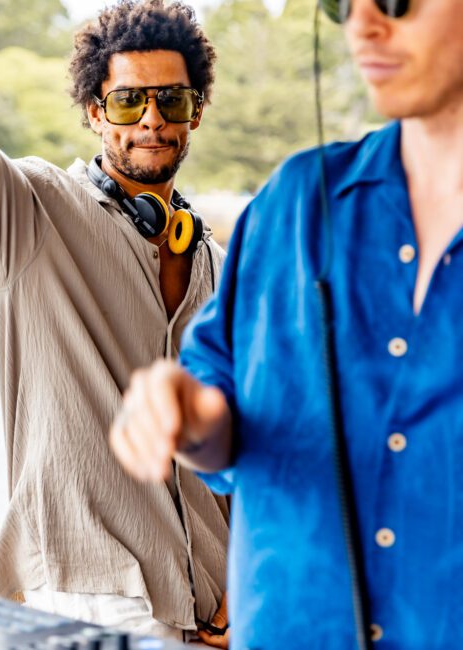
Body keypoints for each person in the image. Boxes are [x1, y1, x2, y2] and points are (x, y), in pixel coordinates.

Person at [110, 0, 463, 647]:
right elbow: (221, 429)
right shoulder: (293, 202)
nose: (362, 25)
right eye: (342, 3)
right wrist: (190, 415)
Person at [0, 0, 230, 643]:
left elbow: (242, 438)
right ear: (94, 111)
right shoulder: (32, 213)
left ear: (197, 112)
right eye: (130, 101)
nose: (153, 121)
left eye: (173, 102)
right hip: (92, 600)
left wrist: (246, 575)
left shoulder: (216, 263)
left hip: (218, 608)